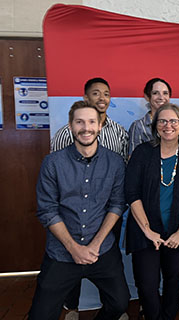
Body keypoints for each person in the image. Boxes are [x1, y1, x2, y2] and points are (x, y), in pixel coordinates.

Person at [29, 101, 130, 320]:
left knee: (120, 302)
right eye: (80, 122)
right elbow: (47, 209)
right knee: (40, 315)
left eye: (92, 121)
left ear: (100, 125)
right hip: (62, 252)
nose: (86, 128)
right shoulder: (52, 163)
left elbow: (116, 204)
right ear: (71, 126)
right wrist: (74, 248)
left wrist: (94, 245)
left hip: (101, 250)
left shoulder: (115, 163)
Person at [125, 103, 179, 320]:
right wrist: (148, 231)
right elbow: (131, 193)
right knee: (147, 286)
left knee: (173, 282)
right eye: (162, 121)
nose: (168, 126)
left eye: (173, 121)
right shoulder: (142, 152)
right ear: (155, 125)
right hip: (145, 231)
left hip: (177, 230)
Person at [51, 77, 129, 161]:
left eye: (106, 94)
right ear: (86, 98)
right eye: (96, 94)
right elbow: (57, 165)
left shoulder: (120, 132)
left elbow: (122, 165)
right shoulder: (66, 133)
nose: (102, 98)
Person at [128, 77, 179, 156]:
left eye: (165, 93)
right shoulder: (138, 126)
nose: (161, 97)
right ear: (147, 97)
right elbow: (133, 158)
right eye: (155, 93)